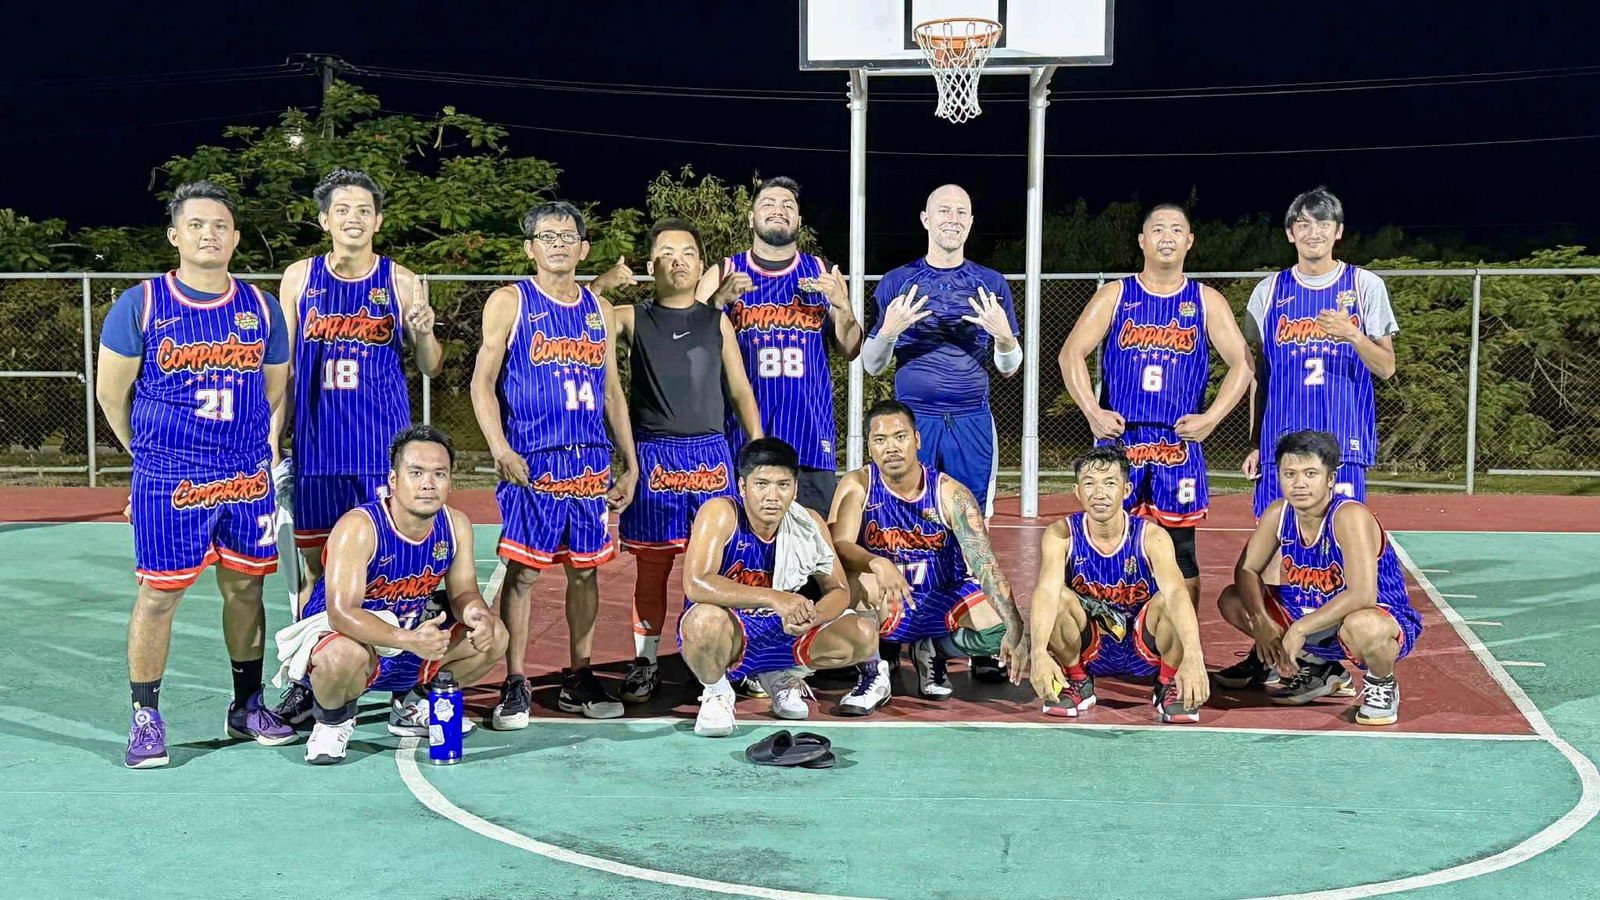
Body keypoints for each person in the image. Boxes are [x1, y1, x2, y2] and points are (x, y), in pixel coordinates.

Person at [96, 181, 295, 768]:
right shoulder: (142, 304)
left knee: (246, 589)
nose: (209, 234)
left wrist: (249, 444)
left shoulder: (260, 307)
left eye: (221, 226)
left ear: (234, 238)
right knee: (159, 594)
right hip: (170, 475)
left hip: (243, 473)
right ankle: (146, 717)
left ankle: (247, 706)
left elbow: (273, 386)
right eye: (197, 225)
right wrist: (148, 457)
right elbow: (112, 394)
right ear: (175, 235)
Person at [1220, 187, 1399, 688]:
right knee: (1275, 552)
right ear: (1290, 233)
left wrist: (1354, 336)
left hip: (1343, 443)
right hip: (1282, 442)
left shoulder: (1364, 286)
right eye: (1303, 224)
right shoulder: (1270, 291)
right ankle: (1271, 648)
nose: (1313, 232)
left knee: (1337, 553)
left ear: (1338, 232)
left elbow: (1386, 368)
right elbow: (1259, 373)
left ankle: (1324, 654)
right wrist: (1255, 441)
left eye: (1323, 224)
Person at [469, 201, 639, 726]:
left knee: (585, 575)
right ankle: (515, 680)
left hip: (588, 462)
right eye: (547, 236)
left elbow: (612, 392)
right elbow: (481, 383)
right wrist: (500, 448)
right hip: (532, 461)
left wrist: (629, 463)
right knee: (522, 576)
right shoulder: (509, 302)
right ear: (531, 248)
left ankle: (579, 675)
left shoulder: (599, 309)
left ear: (584, 248)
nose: (559, 244)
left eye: (568, 236)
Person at [600, 218, 763, 704]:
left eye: (687, 252)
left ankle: (718, 657)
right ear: (651, 266)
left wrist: (755, 452)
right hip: (653, 457)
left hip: (712, 456)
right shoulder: (631, 316)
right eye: (666, 253)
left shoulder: (718, 320)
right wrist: (601, 284)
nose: (678, 260)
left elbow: (739, 391)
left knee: (720, 568)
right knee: (653, 570)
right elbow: (580, 315)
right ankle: (646, 661)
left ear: (700, 265)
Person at [1058, 204, 1253, 608]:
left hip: (1177, 441)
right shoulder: (1116, 293)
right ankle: (1106, 637)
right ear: (1143, 240)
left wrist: (1212, 419)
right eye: (1158, 229)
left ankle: (1180, 647)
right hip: (1121, 439)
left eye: (1177, 229)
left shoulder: (1205, 300)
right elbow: (1070, 354)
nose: (1167, 236)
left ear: (1189, 241)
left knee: (1180, 548)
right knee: (1107, 538)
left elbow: (1243, 363)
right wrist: (1093, 411)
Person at [272, 169, 443, 610]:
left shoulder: (400, 281)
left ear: (378, 221)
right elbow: (284, 369)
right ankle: (310, 669)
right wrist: (272, 441)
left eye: (364, 211)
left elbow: (430, 366)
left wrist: (425, 334)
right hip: (318, 450)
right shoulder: (299, 277)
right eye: (342, 210)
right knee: (316, 568)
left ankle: (392, 663)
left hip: (380, 452)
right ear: (325, 219)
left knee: (386, 565)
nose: (354, 218)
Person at [291, 426, 507, 764]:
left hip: (408, 637)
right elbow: (341, 613)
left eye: (439, 474)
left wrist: (476, 614)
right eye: (416, 472)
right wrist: (408, 639)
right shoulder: (359, 527)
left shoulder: (455, 525)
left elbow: (464, 591)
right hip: (347, 639)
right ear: (393, 479)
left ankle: (412, 705)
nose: (428, 483)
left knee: (493, 635)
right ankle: (333, 720)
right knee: (341, 657)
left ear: (451, 481)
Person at [829, 401, 1028, 710]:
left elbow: (984, 563)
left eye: (900, 437)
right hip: (885, 600)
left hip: (941, 598)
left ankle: (935, 650)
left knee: (1004, 625)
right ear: (869, 446)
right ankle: (873, 670)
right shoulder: (857, 485)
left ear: (917, 440)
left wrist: (1016, 626)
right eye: (880, 440)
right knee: (846, 583)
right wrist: (877, 562)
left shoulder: (950, 493)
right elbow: (838, 547)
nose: (891, 448)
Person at [1215, 431, 1420, 726]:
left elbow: (1363, 595)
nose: (1299, 483)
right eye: (1290, 474)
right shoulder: (1279, 513)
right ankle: (1319, 667)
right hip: (1312, 612)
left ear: (1330, 479)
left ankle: (1381, 683)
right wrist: (1261, 621)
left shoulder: (1349, 516)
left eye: (1310, 473)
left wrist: (1298, 630)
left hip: (1377, 617)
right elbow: (1247, 569)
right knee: (1233, 600)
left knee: (1362, 624)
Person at [677, 438, 879, 737]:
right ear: (743, 486)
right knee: (702, 620)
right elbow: (696, 583)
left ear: (795, 488)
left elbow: (838, 590)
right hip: (730, 631)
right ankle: (717, 692)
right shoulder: (722, 513)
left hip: (781, 631)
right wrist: (774, 598)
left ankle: (781, 675)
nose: (772, 496)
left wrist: (816, 616)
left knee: (863, 634)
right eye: (761, 484)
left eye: (783, 485)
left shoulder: (809, 522)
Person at [696, 176, 862, 516]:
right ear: (751, 217)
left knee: (814, 555)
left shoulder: (822, 272)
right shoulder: (724, 272)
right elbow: (690, 348)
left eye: (788, 205)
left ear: (799, 220)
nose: (779, 211)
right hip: (740, 441)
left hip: (810, 440)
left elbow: (850, 349)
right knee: (743, 556)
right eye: (768, 204)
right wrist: (716, 302)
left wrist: (843, 307)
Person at [861, 184, 1021, 517]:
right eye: (944, 210)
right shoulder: (897, 281)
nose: (953, 219)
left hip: (971, 418)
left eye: (962, 212)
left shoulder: (990, 282)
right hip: (912, 420)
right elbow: (873, 365)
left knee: (970, 519)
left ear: (971, 221)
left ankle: (968, 573)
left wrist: (1005, 338)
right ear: (926, 219)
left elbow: (1009, 367)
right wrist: (889, 330)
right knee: (906, 515)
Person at [1026, 446, 1209, 723]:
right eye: (1089, 484)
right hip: (1089, 645)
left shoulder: (1152, 536)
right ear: (1077, 491)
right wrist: (1037, 652)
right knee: (1058, 597)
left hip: (1143, 645)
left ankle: (1167, 683)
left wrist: (1194, 656)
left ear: (1126, 490)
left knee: (1169, 599)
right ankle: (1078, 681)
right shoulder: (1061, 534)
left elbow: (1176, 594)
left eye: (1110, 483)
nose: (1099, 493)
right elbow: (1046, 592)